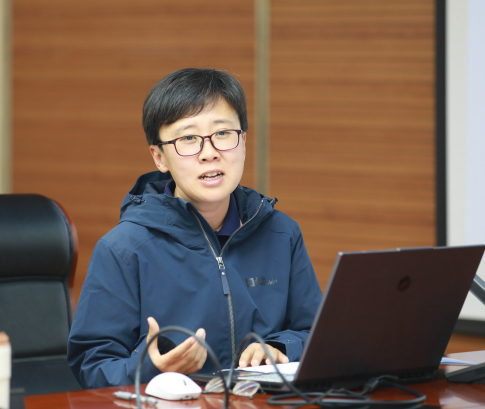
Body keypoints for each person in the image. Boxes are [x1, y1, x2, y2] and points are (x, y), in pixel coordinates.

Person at [67, 68, 323, 388]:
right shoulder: (124, 248)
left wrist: (280, 347)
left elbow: (317, 333)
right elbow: (93, 365)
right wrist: (153, 369)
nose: (209, 153)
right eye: (188, 138)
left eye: (223, 133)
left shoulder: (281, 234)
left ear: (243, 142)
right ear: (159, 157)